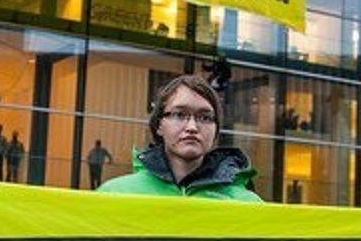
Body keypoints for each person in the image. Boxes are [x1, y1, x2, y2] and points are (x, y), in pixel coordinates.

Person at [97, 74, 262, 202]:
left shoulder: (247, 204)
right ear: (159, 125)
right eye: (179, 114)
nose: (192, 127)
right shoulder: (114, 194)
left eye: (205, 117)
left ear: (216, 130)